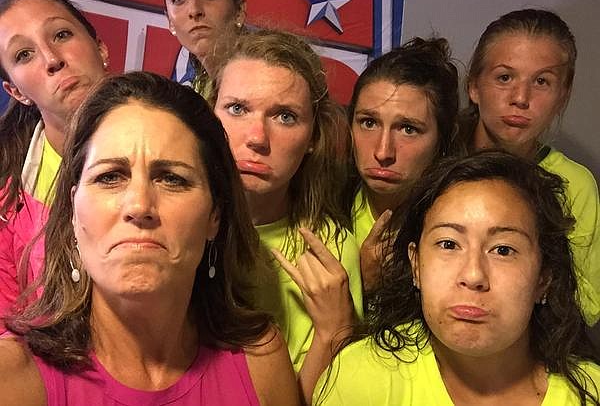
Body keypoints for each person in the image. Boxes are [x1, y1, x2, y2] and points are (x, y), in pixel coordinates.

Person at [0, 72, 299, 405]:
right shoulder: (12, 377)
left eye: (172, 179)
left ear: (215, 215)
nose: (139, 205)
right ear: (72, 209)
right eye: (109, 176)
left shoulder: (262, 361)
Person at [316, 150, 600, 406]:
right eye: (449, 244)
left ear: (543, 279)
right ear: (416, 265)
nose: (473, 275)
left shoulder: (590, 393)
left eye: (503, 250)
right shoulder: (363, 377)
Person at [212, 28, 362, 402]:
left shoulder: (331, 249)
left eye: (285, 116)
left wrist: (334, 331)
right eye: (237, 108)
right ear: (208, 114)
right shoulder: (177, 226)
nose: (257, 138)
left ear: (313, 137)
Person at [461, 9, 600, 325]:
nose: (520, 98)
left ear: (563, 95)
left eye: (542, 82)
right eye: (504, 77)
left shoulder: (574, 184)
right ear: (474, 86)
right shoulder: (435, 155)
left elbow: (585, 307)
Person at [0, 0, 110, 330]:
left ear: (101, 47)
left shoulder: (179, 139)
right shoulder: (6, 199)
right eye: (24, 55)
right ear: (16, 91)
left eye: (61, 34)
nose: (52, 59)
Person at [345, 37, 459, 291]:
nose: (383, 151)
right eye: (369, 123)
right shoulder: (320, 208)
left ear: (443, 139)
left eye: (408, 129)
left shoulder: (459, 228)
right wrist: (360, 284)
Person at [163, 0, 246, 99]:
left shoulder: (271, 75)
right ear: (170, 21)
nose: (194, 10)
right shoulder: (196, 89)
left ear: (239, 11)